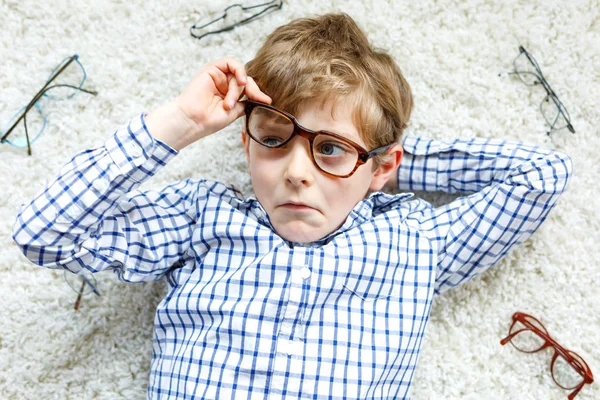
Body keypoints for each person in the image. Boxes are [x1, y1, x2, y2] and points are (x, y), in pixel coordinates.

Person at [12, 13, 572, 400]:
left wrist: (377, 158)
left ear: (381, 169)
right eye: (275, 137)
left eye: (328, 149)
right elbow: (44, 234)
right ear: (246, 138)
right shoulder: (201, 216)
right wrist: (179, 126)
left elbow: (541, 175)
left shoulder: (416, 242)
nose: (297, 171)